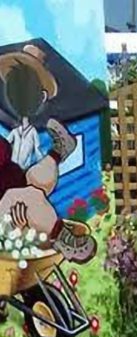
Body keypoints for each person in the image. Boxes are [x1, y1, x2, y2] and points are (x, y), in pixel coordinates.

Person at [0, 43, 96, 263]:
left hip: (12, 187)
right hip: (5, 205)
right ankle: (63, 240)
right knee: (30, 196)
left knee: (36, 178)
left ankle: (59, 151)